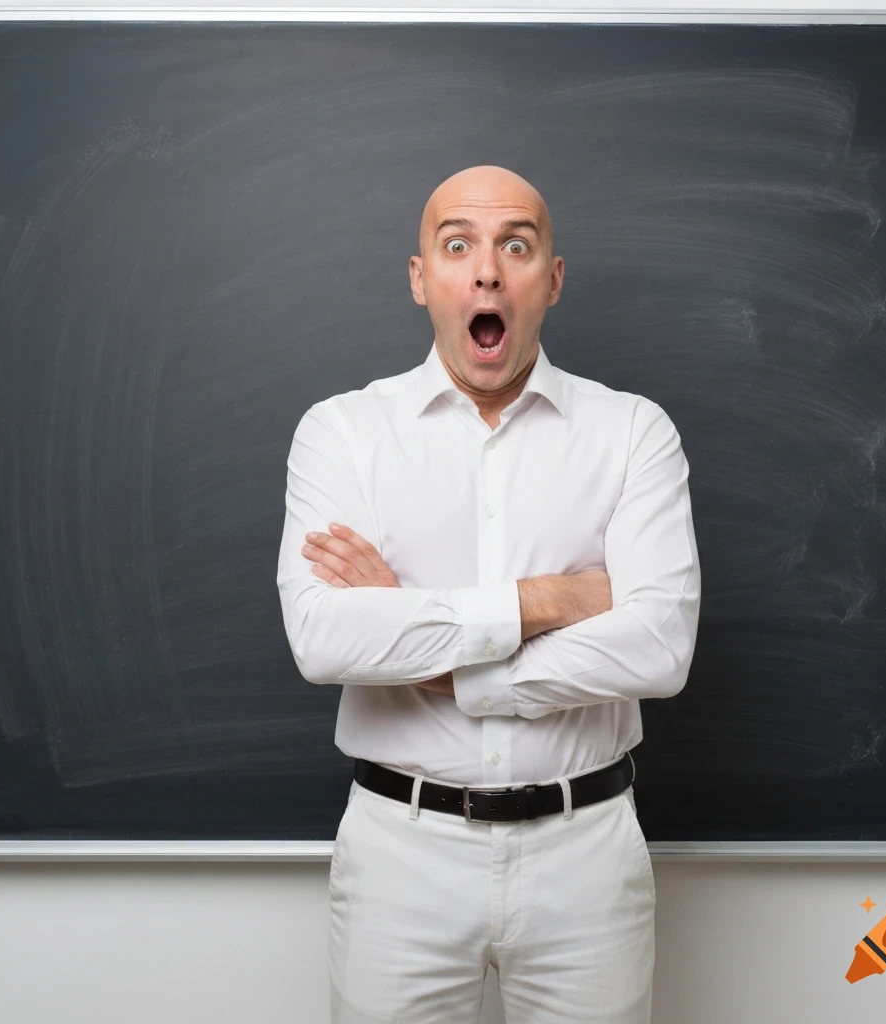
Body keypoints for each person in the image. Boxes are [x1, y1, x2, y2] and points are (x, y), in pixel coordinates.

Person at [276, 164, 701, 1023]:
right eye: (457, 245)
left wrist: (425, 646)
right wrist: (557, 599)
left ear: (553, 278)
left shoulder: (632, 432)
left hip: (587, 859)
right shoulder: (342, 433)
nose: (486, 272)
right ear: (419, 277)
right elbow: (324, 640)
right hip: (400, 858)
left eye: (516, 245)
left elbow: (658, 649)